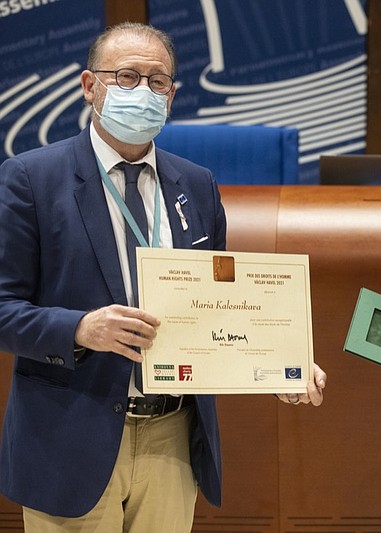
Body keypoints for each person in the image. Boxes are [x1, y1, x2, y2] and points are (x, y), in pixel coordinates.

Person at [0, 22, 326, 532]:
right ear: (90, 87)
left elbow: (222, 305)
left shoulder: (195, 184)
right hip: (71, 436)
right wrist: (80, 329)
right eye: (127, 77)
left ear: (172, 96)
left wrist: (281, 363)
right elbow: (3, 308)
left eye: (157, 82)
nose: (143, 92)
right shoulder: (30, 178)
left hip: (173, 435)